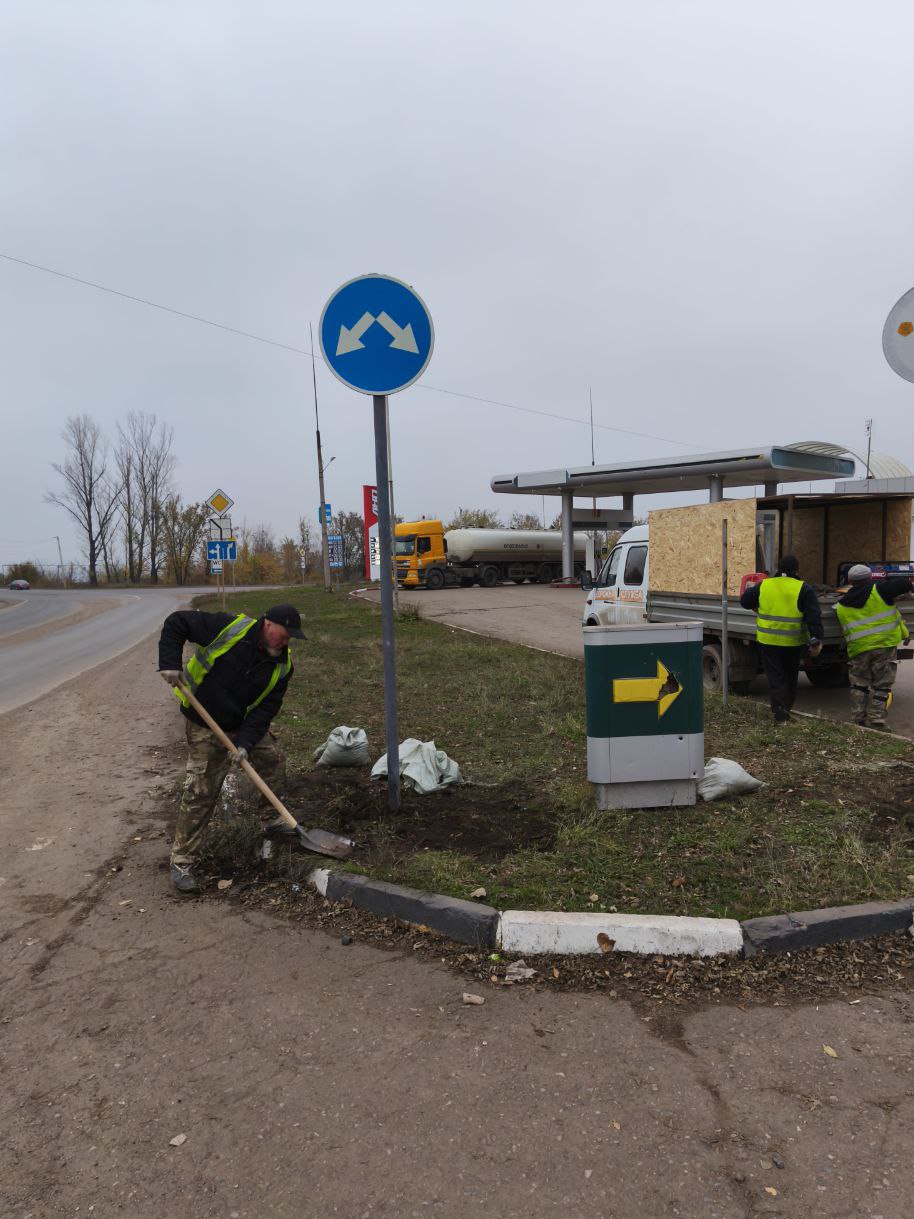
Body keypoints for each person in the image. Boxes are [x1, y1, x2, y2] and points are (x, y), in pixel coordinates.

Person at [157, 603, 304, 894]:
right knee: (202, 788)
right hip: (203, 720)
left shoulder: (283, 666)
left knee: (273, 758)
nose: (287, 642)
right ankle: (182, 861)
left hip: (238, 722)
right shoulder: (230, 628)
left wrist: (245, 744)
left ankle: (271, 819)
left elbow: (264, 711)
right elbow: (177, 622)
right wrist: (169, 662)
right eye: (285, 635)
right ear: (268, 625)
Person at [740, 554, 823, 724]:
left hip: (768, 642)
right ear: (796, 570)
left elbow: (745, 601)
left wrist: (757, 607)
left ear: (779, 569)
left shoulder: (765, 585)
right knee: (790, 677)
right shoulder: (803, 588)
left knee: (776, 677)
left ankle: (780, 714)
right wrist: (816, 639)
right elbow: (813, 616)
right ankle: (786, 710)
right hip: (793, 643)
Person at [834, 564, 912, 730]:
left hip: (858, 648)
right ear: (870, 577)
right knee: (882, 686)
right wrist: (885, 578)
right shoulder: (880, 591)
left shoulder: (840, 605)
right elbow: (905, 583)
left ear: (849, 581)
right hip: (883, 646)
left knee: (859, 684)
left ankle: (858, 719)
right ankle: (876, 720)